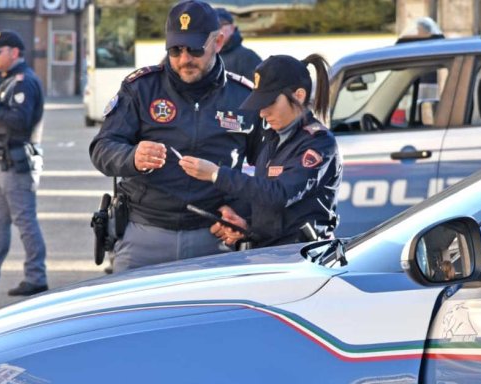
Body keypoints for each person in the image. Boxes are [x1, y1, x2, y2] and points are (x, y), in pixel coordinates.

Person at [89, 0, 261, 273]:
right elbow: (102, 148)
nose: (184, 59)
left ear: (217, 42)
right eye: (175, 50)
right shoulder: (141, 89)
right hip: (144, 233)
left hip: (213, 238)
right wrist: (132, 157)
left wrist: (243, 212)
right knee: (131, 315)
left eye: (194, 49)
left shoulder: (244, 97)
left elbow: (267, 167)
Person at [179, 54, 341, 247]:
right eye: (260, 104)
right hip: (271, 253)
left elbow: (279, 194)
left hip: (302, 256)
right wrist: (244, 222)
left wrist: (216, 174)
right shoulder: (273, 137)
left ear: (299, 95)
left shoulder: (319, 143)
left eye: (270, 103)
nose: (263, 113)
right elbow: (265, 199)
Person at [0, 30, 48, 296]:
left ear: (14, 52)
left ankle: (37, 276)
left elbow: (19, 121)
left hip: (16, 163)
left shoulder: (23, 82)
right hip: (4, 164)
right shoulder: (11, 80)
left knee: (25, 221)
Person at [215, 8, 262, 81]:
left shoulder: (248, 57)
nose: (216, 30)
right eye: (213, 26)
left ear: (232, 28)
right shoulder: (202, 57)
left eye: (220, 25)